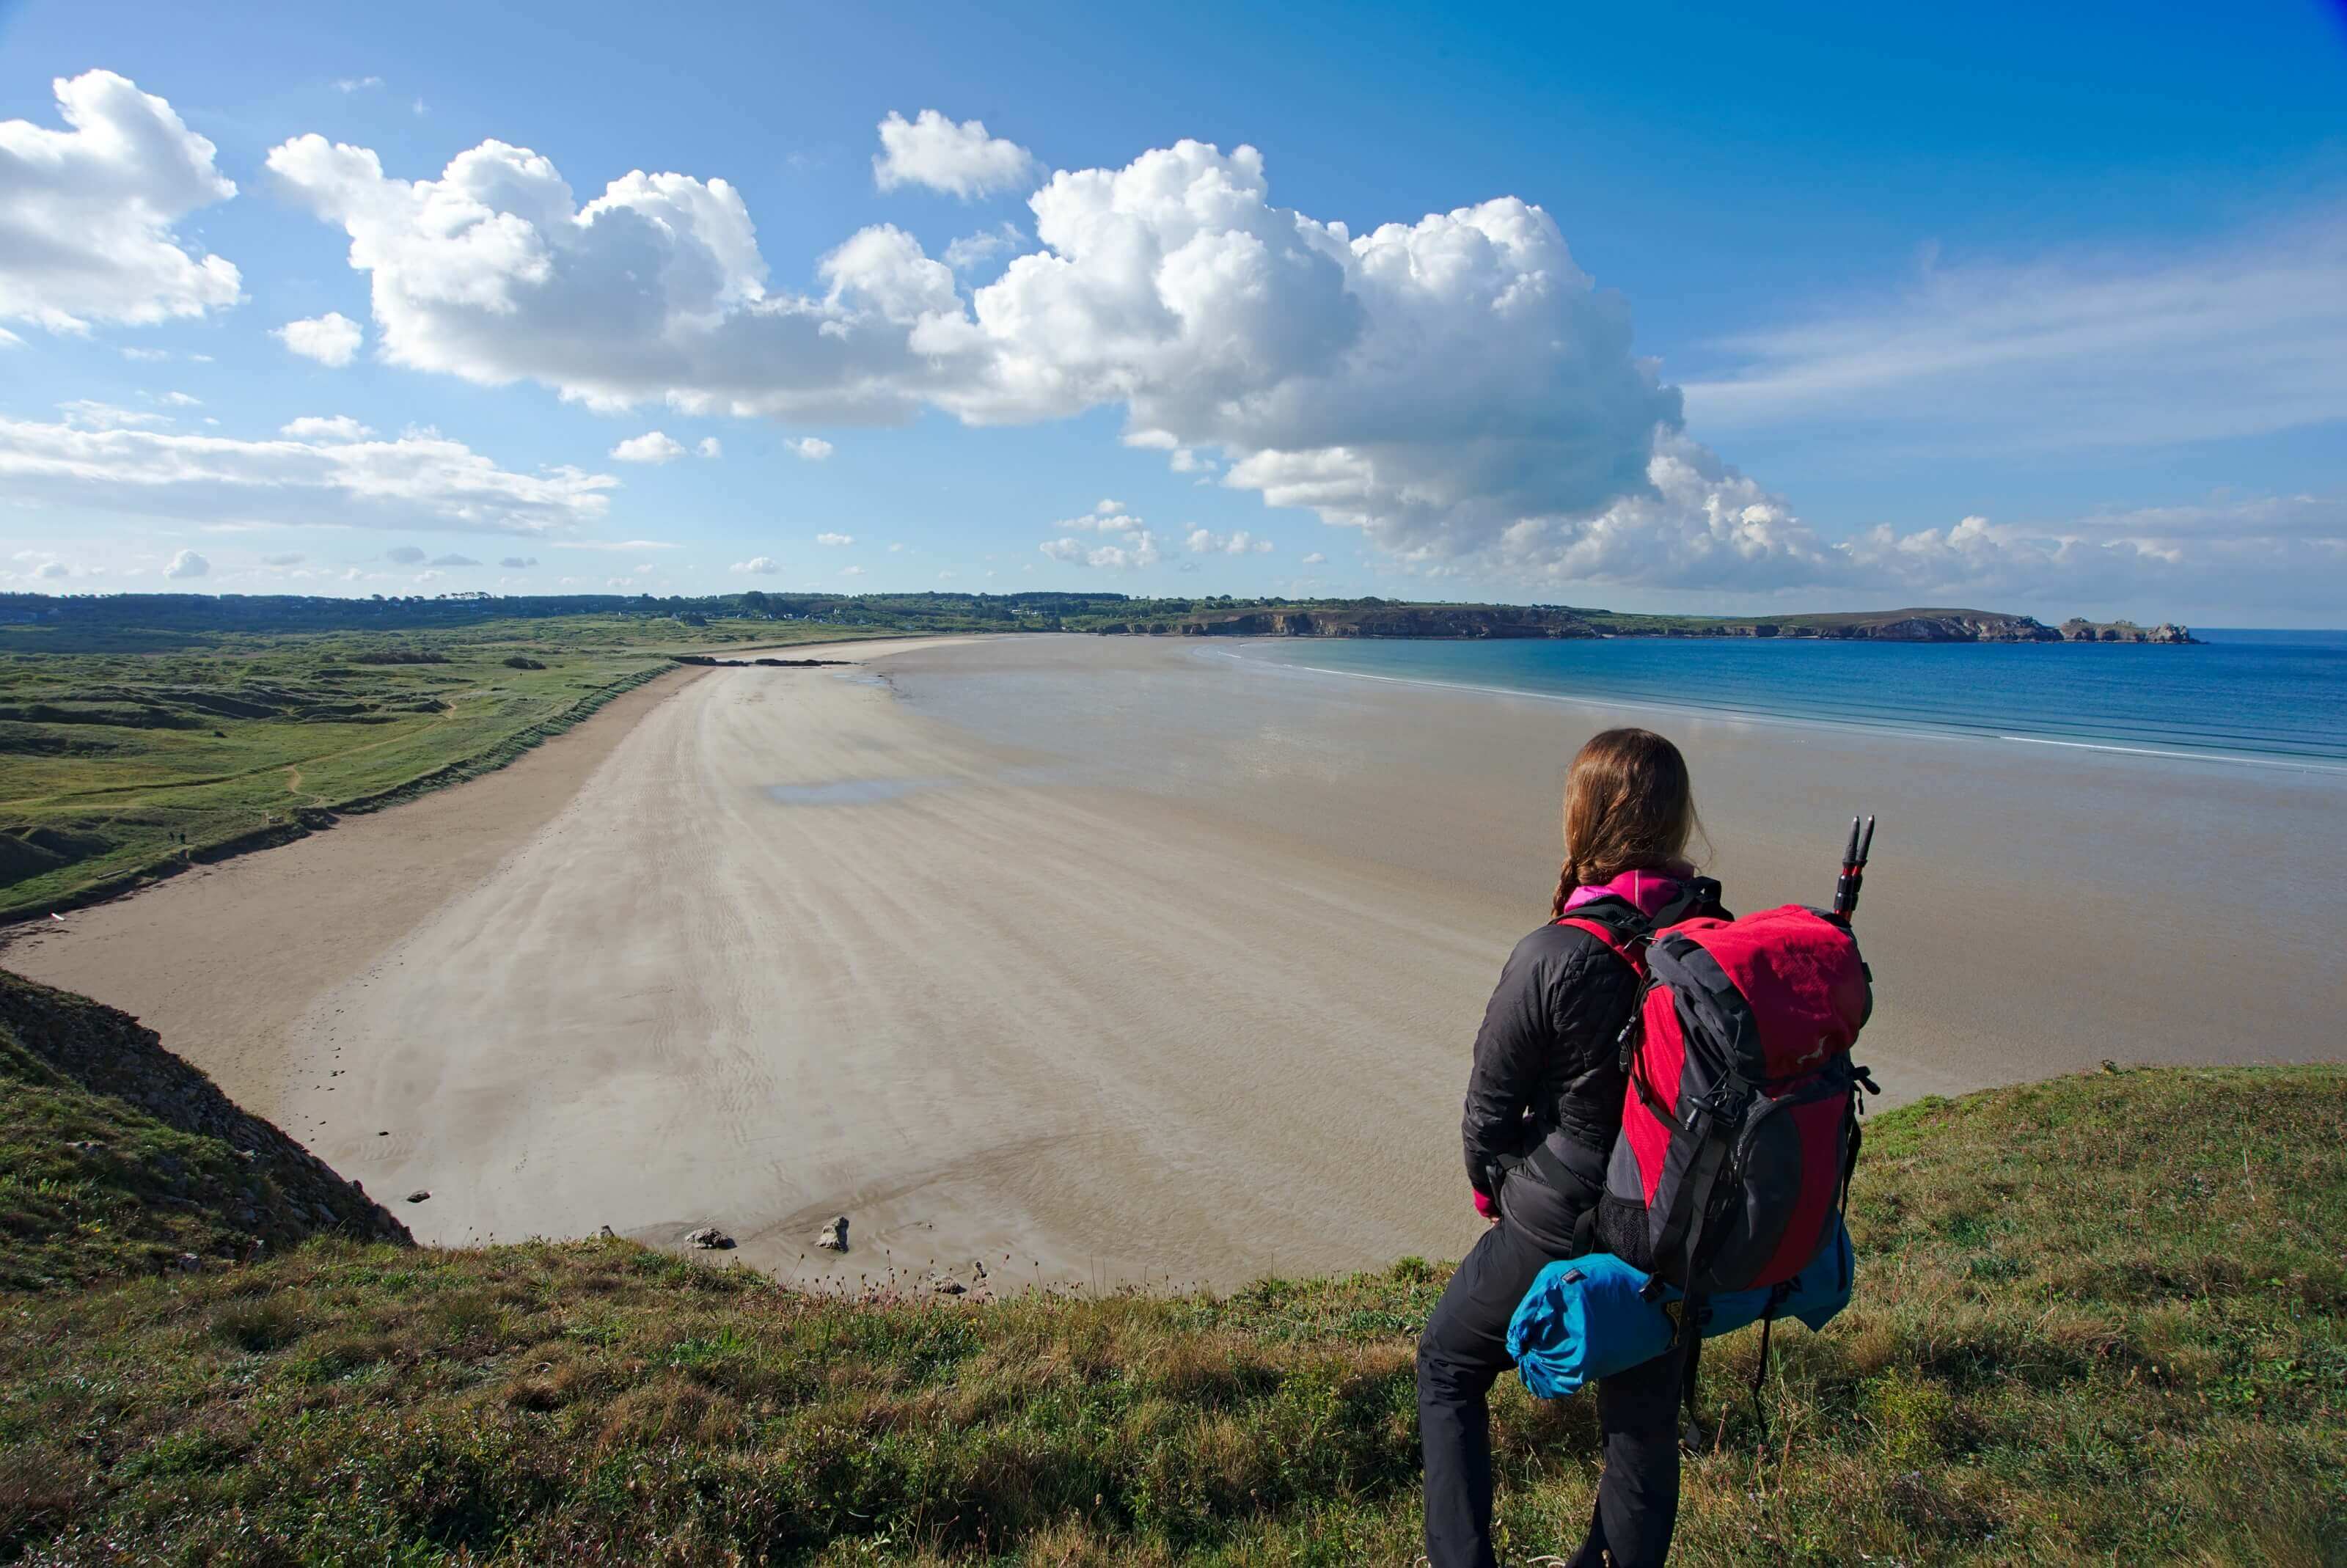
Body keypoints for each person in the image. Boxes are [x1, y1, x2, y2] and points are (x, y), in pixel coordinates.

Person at [1416, 727, 1724, 1568]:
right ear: (1674, 819)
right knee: (1641, 1419)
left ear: (1582, 818)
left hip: (1563, 1220)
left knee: (1447, 1363)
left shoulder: (1553, 951)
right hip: (1670, 1223)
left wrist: (1499, 1196)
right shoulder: (1711, 940)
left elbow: (1487, 1112)